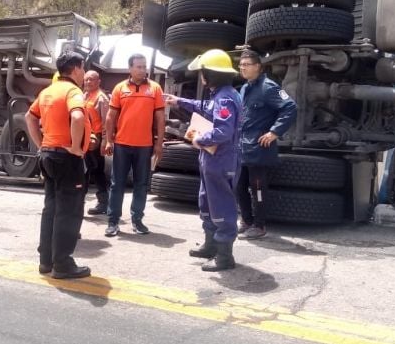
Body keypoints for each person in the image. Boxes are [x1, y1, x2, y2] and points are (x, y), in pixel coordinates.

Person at [164, 49, 242, 271]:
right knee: (207, 202)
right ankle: (211, 245)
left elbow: (223, 131)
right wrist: (179, 101)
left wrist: (200, 138)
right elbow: (204, 107)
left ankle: (225, 257)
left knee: (221, 205)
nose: (201, 76)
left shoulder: (225, 97)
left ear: (211, 73)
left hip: (221, 160)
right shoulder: (221, 95)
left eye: (203, 72)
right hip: (213, 158)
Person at [25, 52, 92, 279]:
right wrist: (75, 146)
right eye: (83, 68)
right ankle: (62, 264)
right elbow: (78, 118)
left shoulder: (47, 91)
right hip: (67, 158)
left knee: (51, 208)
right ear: (75, 68)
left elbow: (29, 117)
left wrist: (41, 144)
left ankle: (46, 261)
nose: (83, 73)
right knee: (69, 211)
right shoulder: (73, 91)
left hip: (48, 156)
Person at [236, 50, 297, 240]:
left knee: (258, 189)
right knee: (238, 186)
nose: (242, 68)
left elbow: (290, 107)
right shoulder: (245, 88)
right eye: (241, 65)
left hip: (259, 150)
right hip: (242, 147)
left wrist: (274, 132)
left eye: (246, 65)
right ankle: (246, 220)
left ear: (258, 67)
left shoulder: (269, 87)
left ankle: (259, 225)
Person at [102, 53, 165, 236]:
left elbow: (160, 118)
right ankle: (113, 222)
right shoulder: (120, 88)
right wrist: (108, 140)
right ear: (130, 68)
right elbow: (110, 116)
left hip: (144, 146)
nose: (142, 70)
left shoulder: (155, 89)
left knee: (141, 184)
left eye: (144, 67)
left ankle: (137, 220)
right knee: (117, 184)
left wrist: (159, 144)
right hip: (122, 144)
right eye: (138, 66)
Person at [83, 70, 111, 216]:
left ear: (98, 82)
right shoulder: (85, 96)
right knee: (86, 170)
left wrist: (104, 141)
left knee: (95, 170)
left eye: (92, 79)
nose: (88, 82)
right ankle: (80, 200)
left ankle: (103, 203)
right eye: (86, 79)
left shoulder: (101, 98)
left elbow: (107, 122)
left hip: (96, 139)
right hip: (85, 138)